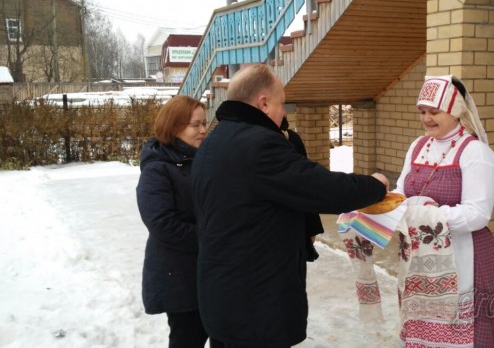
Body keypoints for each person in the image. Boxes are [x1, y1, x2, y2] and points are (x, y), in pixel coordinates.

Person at [191, 64, 389, 348]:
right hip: (254, 301)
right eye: (282, 104)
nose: (284, 113)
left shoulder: (215, 141)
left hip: (222, 293)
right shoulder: (258, 145)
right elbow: (320, 187)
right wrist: (376, 185)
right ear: (263, 103)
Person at [393, 75, 494, 347]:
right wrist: (388, 205)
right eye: (422, 112)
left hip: (465, 257)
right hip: (419, 259)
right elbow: (402, 191)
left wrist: (421, 213)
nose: (426, 119)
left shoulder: (475, 153)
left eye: (434, 112)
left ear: (455, 110)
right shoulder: (418, 147)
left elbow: (477, 214)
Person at [135, 95, 221, 348]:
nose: (203, 130)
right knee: (188, 338)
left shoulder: (201, 159)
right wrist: (212, 238)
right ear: (174, 128)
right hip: (180, 276)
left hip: (210, 272)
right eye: (195, 125)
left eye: (204, 123)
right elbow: (161, 223)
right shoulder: (157, 169)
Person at [280, 116, 323, 262]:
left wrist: (312, 225)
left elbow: (307, 184)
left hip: (296, 222)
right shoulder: (256, 142)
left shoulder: (292, 138)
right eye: (280, 104)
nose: (284, 111)